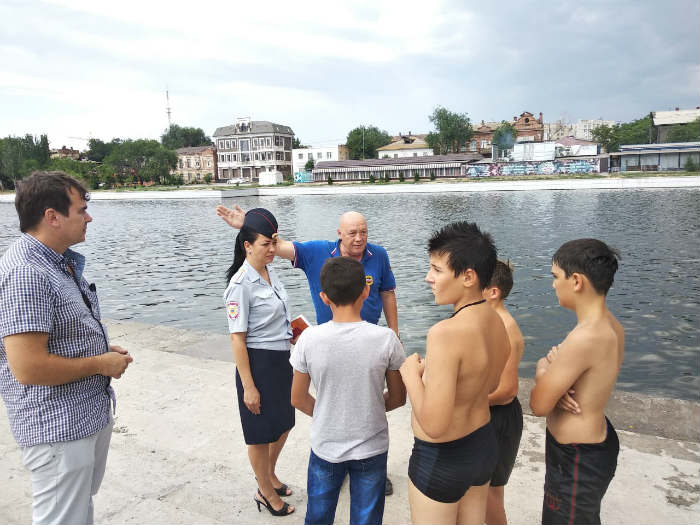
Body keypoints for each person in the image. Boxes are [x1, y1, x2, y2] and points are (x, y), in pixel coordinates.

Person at [217, 204, 399, 495]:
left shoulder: (379, 255)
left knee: (369, 404)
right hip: (328, 349)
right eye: (352, 233)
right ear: (339, 234)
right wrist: (246, 227)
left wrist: (394, 334)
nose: (358, 238)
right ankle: (333, 464)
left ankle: (369, 464)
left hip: (369, 346)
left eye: (363, 232)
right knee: (329, 406)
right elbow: (278, 246)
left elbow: (388, 293)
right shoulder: (317, 252)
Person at [0, 171, 133, 525]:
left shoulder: (55, 262)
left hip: (80, 419)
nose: (88, 217)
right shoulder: (27, 273)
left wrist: (101, 350)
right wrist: (100, 364)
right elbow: (28, 367)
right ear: (52, 217)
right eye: (81, 209)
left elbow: (60, 335)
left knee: (77, 511)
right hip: (58, 428)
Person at [400, 221, 509, 525]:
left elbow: (434, 424)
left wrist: (411, 375)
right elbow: (491, 383)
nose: (428, 278)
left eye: (436, 270)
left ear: (468, 277)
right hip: (482, 446)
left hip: (442, 458)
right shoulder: (496, 320)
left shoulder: (445, 333)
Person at [290, 257, 406, 525]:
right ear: (366, 291)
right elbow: (399, 398)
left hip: (325, 444)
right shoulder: (386, 339)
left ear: (324, 297)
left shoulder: (308, 339)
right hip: (372, 445)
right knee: (367, 519)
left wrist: (327, 414)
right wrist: (369, 408)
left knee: (318, 516)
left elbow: (297, 397)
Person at [530, 239, 624, 525]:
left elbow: (538, 404)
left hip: (576, 459)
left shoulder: (585, 337)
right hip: (592, 446)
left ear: (576, 281)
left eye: (556, 277)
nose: (553, 284)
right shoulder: (610, 324)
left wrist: (544, 370)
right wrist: (548, 368)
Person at [223, 208, 296, 517]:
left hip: (281, 359)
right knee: (260, 432)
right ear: (247, 246)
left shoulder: (269, 270)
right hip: (259, 364)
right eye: (266, 244)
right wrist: (249, 386)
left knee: (284, 424)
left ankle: (269, 474)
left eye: (273, 242)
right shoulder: (240, 285)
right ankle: (264, 490)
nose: (272, 249)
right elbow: (237, 339)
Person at [482, 260, 524, 525]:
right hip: (488, 415)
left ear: (493, 292)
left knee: (490, 493)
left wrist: (465, 402)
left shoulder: (506, 327)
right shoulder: (489, 322)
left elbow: (507, 389)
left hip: (499, 418)